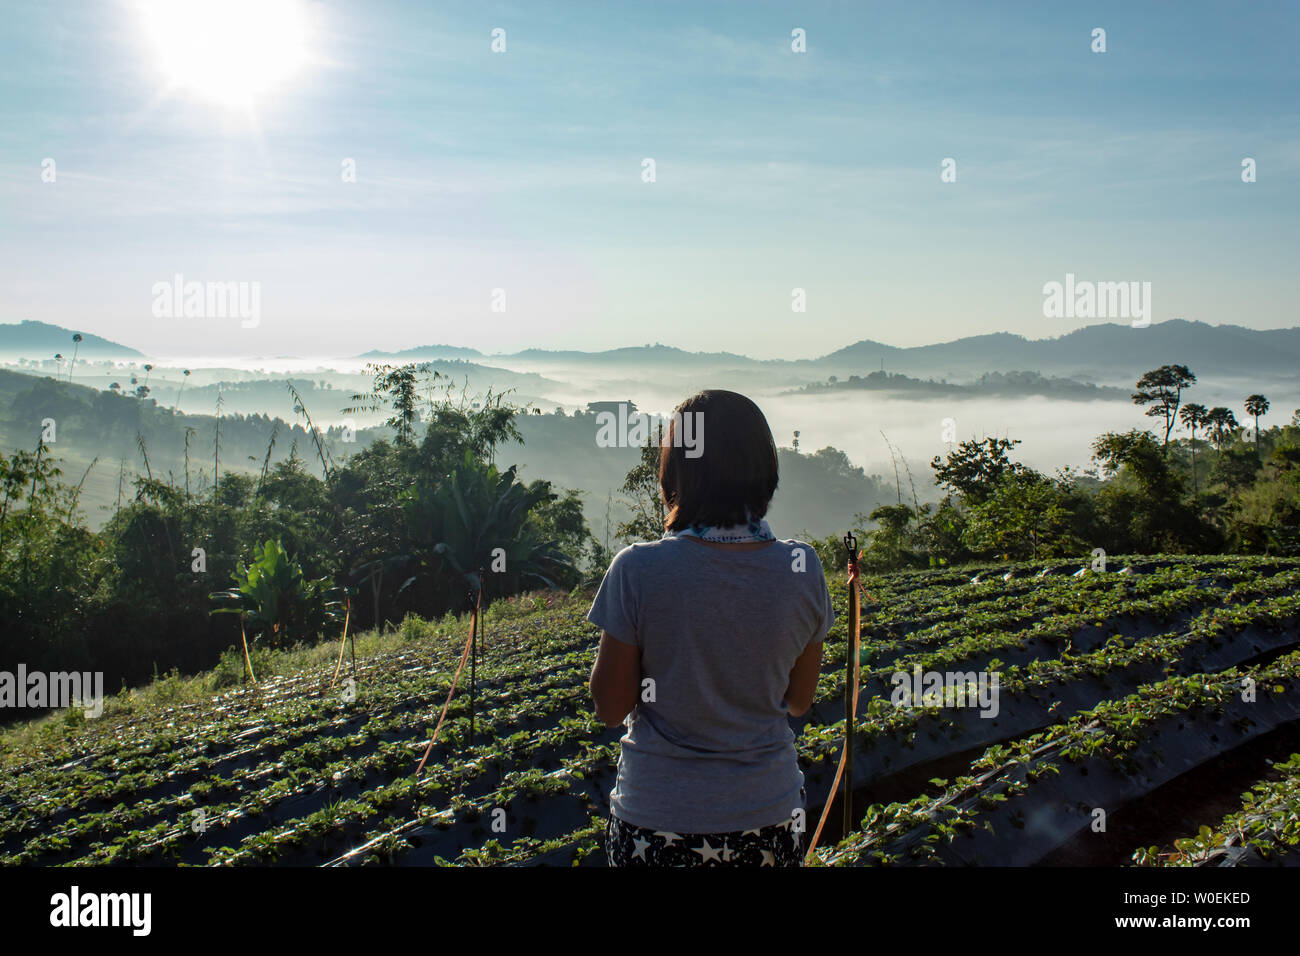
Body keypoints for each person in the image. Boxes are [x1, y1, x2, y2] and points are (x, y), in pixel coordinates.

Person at [587, 389, 835, 867]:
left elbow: (611, 707)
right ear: (764, 469)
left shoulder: (639, 570)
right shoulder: (803, 567)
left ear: (678, 471)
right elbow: (800, 701)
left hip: (659, 820)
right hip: (769, 817)